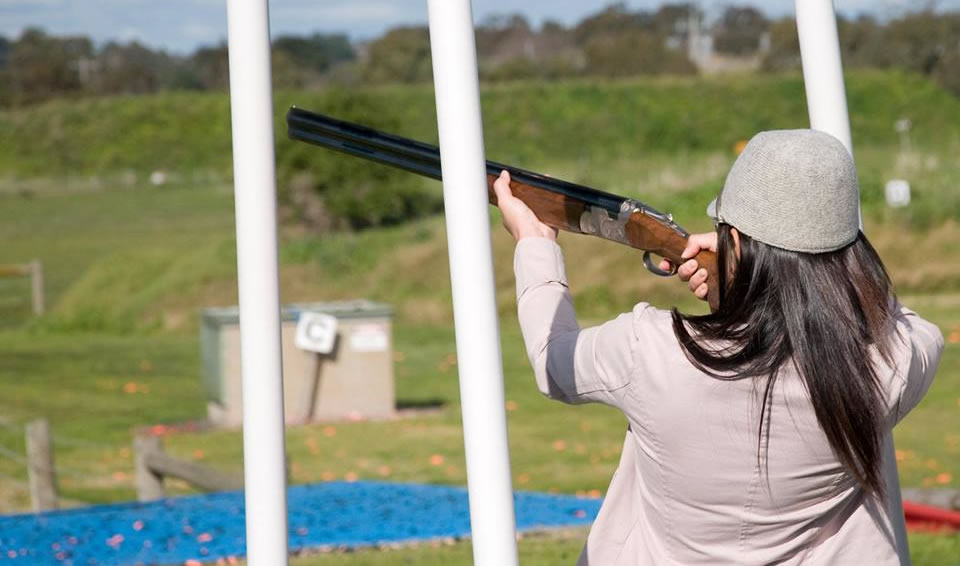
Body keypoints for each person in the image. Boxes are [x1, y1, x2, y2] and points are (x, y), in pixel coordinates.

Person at [493, 129, 944, 565]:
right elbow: (899, 318)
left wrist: (535, 243)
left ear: (732, 241)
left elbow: (554, 358)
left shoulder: (647, 349)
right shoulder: (891, 369)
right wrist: (744, 288)